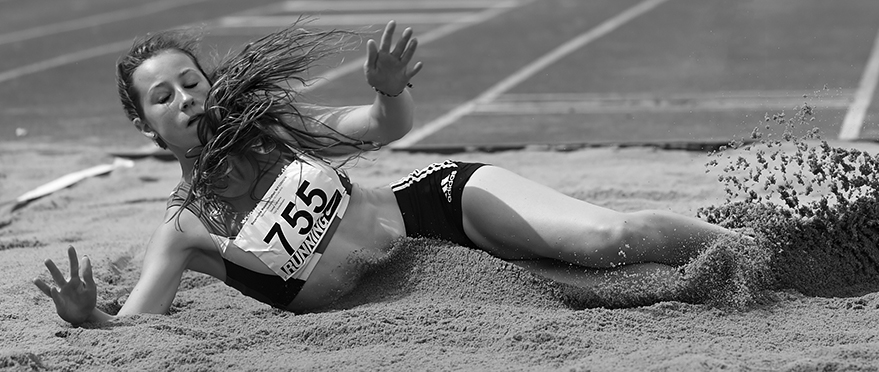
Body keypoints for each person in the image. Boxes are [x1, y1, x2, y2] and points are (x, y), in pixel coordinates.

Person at [33, 21, 738, 325]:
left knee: (603, 241)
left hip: (437, 210)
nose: (186, 100)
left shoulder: (271, 130)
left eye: (191, 83)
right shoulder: (187, 230)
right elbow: (134, 328)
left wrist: (388, 90)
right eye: (164, 98)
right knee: (617, 291)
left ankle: (745, 240)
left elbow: (384, 130)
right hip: (427, 289)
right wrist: (87, 317)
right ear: (144, 125)